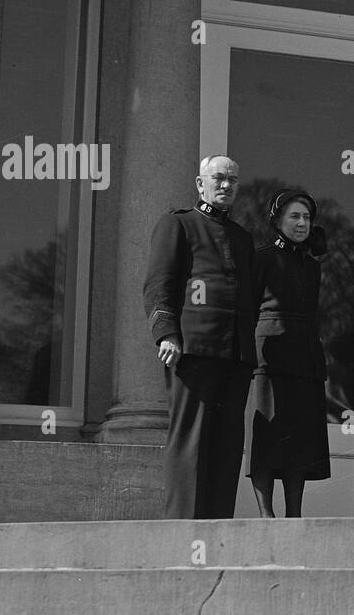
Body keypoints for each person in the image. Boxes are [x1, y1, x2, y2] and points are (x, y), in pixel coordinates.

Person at [142, 155, 258, 519]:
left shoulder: (242, 237)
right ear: (200, 183)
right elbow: (159, 285)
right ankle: (182, 530)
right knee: (189, 442)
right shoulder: (178, 225)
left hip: (235, 355)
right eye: (219, 178)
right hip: (192, 350)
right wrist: (166, 334)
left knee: (226, 446)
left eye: (233, 180)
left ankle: (217, 528)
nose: (226, 186)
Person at [246, 188, 332, 517]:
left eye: (307, 217)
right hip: (270, 356)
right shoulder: (263, 257)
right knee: (269, 437)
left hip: (305, 356)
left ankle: (293, 514)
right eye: (294, 216)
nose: (301, 223)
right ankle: (266, 516)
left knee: (300, 440)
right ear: (278, 220)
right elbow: (250, 307)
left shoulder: (312, 266)